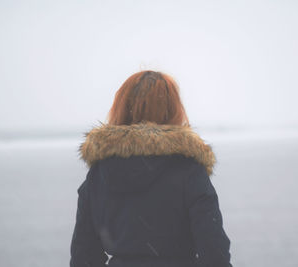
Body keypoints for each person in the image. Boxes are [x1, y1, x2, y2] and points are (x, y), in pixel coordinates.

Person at [70, 70, 233, 267]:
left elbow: (83, 257)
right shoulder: (189, 171)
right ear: (173, 109)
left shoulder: (98, 174)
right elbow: (215, 254)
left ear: (121, 108)